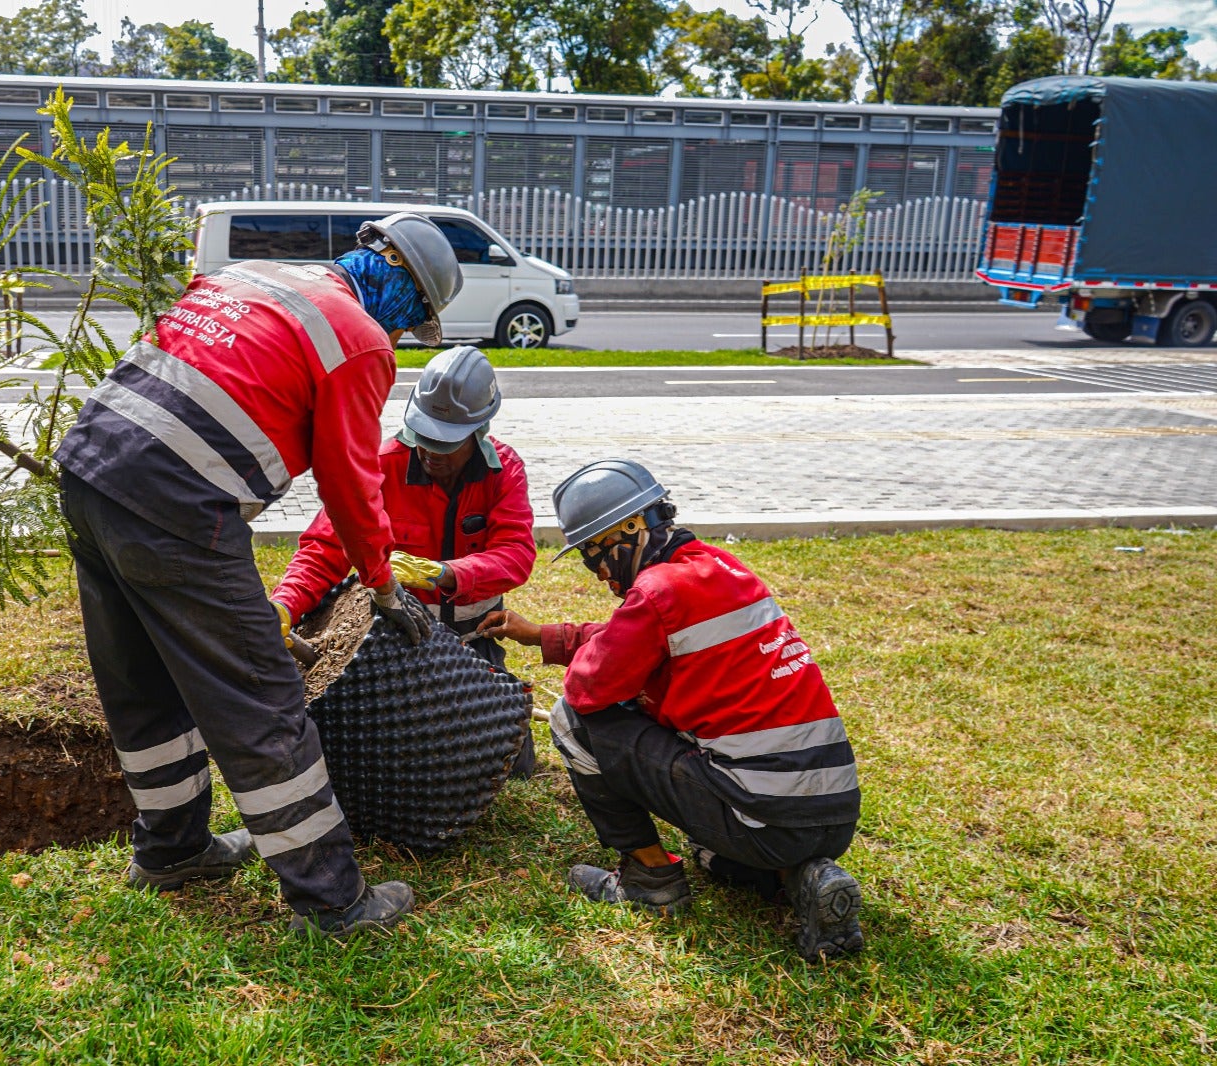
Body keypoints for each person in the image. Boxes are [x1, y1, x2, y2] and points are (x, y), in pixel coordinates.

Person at [55, 212, 463, 937]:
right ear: (400, 281)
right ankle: (332, 901)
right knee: (261, 699)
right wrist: (382, 584)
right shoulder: (360, 339)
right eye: (414, 319)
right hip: (173, 499)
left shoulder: (252, 275)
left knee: (141, 680)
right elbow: (350, 485)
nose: (403, 335)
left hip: (90, 469)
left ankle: (173, 851)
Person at [477, 459, 865, 962]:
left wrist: (631, 689)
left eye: (593, 556)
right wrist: (543, 636)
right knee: (712, 856)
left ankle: (649, 878)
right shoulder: (723, 568)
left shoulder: (656, 593)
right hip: (832, 813)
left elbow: (591, 686)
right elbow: (644, 638)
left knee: (573, 719)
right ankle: (805, 876)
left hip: (761, 815)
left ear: (629, 532)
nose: (597, 574)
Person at [268, 345, 540, 776]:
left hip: (472, 644)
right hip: (396, 642)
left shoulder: (503, 471)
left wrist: (445, 574)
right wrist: (285, 604)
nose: (431, 451)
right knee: (398, 761)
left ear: (478, 431)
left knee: (507, 763)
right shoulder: (379, 466)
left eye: (445, 443)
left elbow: (517, 555)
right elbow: (324, 548)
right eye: (424, 436)